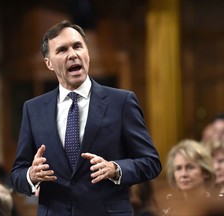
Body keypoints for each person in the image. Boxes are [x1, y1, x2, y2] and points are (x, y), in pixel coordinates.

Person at [11, 20, 162, 216]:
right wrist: (30, 175)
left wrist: (115, 168)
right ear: (48, 63)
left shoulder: (121, 102)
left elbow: (151, 162)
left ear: (87, 54)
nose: (73, 54)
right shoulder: (33, 109)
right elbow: (17, 173)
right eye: (62, 50)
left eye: (77, 46)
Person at [162, 139, 216, 215]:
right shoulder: (168, 210)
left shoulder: (217, 207)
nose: (183, 174)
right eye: (178, 168)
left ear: (205, 172)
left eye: (190, 167)